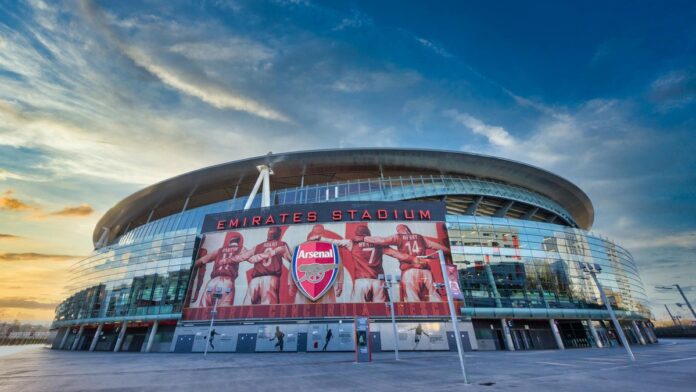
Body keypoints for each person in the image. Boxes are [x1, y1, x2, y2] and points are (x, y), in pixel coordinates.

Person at [314, 224, 418, 303]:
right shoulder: (379, 244)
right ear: (368, 234)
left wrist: (320, 239)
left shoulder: (351, 243)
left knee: (358, 311)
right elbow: (398, 255)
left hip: (361, 281)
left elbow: (334, 241)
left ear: (357, 234)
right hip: (378, 281)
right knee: (382, 311)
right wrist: (414, 259)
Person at [364, 224, 449, 302]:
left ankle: (416, 318)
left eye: (398, 229)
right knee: (433, 295)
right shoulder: (420, 237)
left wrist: (365, 238)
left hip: (409, 270)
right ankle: (447, 314)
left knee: (412, 298)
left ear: (404, 229)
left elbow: (382, 240)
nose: (398, 231)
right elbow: (442, 249)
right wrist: (451, 252)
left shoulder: (398, 237)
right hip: (425, 271)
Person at [238, 227, 292, 305]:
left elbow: (247, 258)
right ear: (278, 235)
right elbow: (290, 259)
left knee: (247, 307)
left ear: (268, 234)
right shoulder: (281, 244)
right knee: (269, 308)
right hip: (270, 279)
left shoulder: (258, 246)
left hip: (254, 280)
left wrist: (243, 251)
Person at [192, 232, 245, 307]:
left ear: (229, 241)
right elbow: (248, 256)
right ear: (238, 241)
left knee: (203, 308)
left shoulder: (220, 250)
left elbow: (202, 260)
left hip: (213, 282)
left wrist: (190, 264)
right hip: (227, 281)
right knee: (222, 310)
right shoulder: (241, 249)